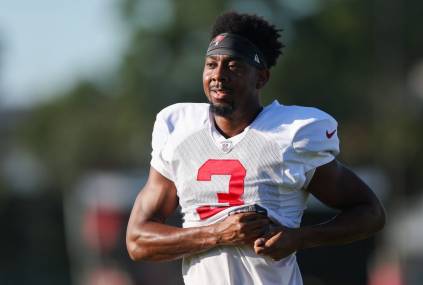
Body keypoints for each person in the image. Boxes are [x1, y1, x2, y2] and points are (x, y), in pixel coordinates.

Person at [126, 11, 386, 285]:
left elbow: (370, 212)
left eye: (233, 65)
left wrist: (300, 237)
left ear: (261, 77)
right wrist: (217, 233)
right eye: (211, 64)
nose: (218, 75)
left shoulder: (291, 134)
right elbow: (138, 241)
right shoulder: (179, 129)